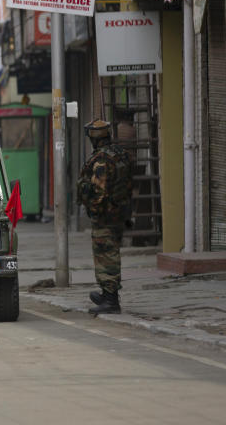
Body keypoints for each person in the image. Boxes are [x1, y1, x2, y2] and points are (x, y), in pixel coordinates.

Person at [76, 120, 133, 315]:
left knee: (106, 256)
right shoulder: (120, 154)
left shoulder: (101, 160)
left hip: (105, 216)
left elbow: (99, 193)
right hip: (119, 212)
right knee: (110, 253)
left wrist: (91, 207)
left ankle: (110, 300)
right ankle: (106, 293)